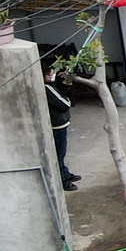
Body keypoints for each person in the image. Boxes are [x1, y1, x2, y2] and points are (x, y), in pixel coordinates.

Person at [44, 55, 79, 190]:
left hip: (59, 124)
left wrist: (66, 84)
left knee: (61, 153)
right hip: (57, 126)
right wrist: (67, 99)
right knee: (59, 154)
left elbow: (61, 92)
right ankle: (63, 180)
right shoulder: (47, 88)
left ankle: (65, 173)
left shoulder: (50, 86)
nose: (51, 73)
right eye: (48, 72)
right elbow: (64, 104)